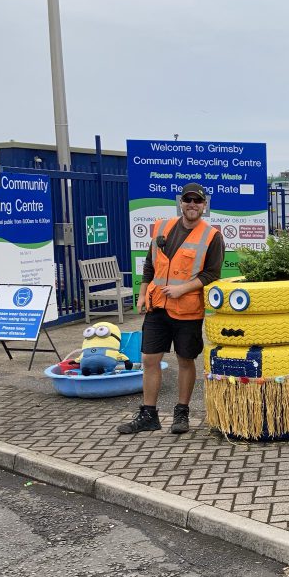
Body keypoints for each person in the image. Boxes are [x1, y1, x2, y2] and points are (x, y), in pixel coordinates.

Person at [118, 182, 224, 435]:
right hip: (157, 307)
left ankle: (181, 413)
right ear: (181, 202)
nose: (192, 205)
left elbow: (212, 274)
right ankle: (148, 414)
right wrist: (142, 294)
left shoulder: (212, 236)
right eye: (188, 200)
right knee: (148, 359)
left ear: (204, 205)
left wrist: (182, 289)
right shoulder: (162, 228)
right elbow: (149, 265)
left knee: (185, 360)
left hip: (187, 310)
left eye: (197, 201)